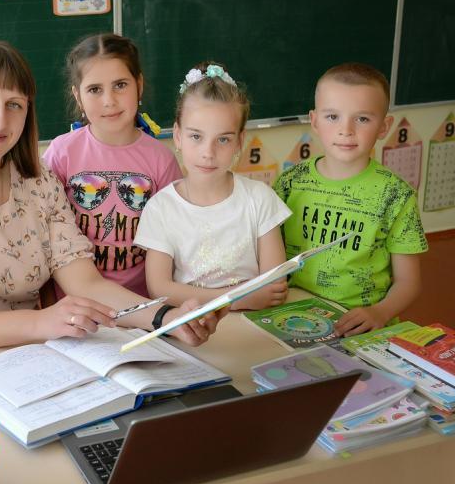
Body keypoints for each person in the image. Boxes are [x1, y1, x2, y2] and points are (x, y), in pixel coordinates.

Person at [0, 39, 221, 349]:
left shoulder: (39, 182)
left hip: (38, 356)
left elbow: (85, 282)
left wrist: (164, 317)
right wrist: (42, 321)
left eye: (14, 105)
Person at [273, 62, 428, 337]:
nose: (346, 130)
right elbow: (270, 264)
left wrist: (379, 312)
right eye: (333, 117)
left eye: (363, 119)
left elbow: (409, 283)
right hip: (294, 316)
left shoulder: (396, 194)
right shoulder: (288, 184)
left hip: (363, 326)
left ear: (384, 126)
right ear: (315, 120)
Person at [135, 62, 291, 310]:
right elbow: (160, 289)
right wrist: (237, 299)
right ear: (177, 136)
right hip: (192, 329)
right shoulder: (160, 208)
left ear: (240, 141)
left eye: (223, 139)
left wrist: (244, 299)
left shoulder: (260, 199)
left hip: (255, 327)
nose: (208, 153)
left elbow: (273, 285)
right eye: (196, 136)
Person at [42, 33, 182, 297]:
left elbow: (175, 240)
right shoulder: (61, 153)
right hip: (76, 308)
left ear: (139, 85)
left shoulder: (161, 160)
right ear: (77, 95)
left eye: (120, 85)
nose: (109, 100)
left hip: (144, 306)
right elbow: (43, 236)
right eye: (95, 90)